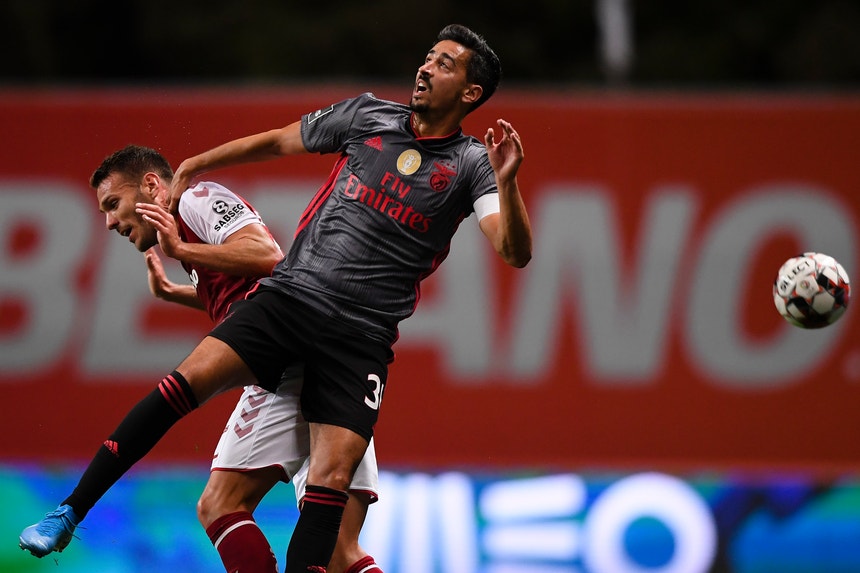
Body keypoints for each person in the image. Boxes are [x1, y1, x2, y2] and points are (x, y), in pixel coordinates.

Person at [19, 23, 532, 572]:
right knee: (184, 399)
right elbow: (280, 139)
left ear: (470, 93)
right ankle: (71, 510)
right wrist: (200, 162)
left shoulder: (474, 165)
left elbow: (513, 251)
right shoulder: (368, 117)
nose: (426, 68)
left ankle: (70, 510)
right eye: (427, 57)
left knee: (321, 519)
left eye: (445, 64)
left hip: (359, 338)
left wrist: (506, 182)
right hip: (294, 300)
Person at [19, 145, 383, 573]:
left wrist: (182, 252)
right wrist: (177, 290)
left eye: (113, 204)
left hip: (288, 366)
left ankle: (70, 510)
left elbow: (268, 257)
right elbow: (239, 287)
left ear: (153, 186)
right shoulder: (190, 234)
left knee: (218, 503)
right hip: (339, 366)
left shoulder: (195, 198)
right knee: (341, 550)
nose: (110, 222)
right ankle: (69, 510)